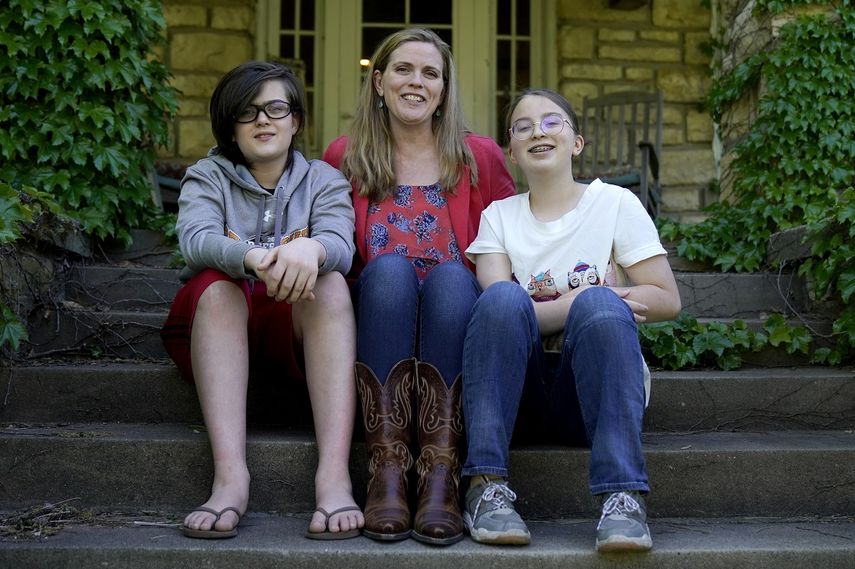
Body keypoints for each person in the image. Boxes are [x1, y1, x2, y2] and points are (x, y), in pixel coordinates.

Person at [460, 88, 681, 551]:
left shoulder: (615, 204)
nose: (537, 131)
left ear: (576, 142)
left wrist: (593, 302)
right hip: (516, 397)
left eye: (551, 122)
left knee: (600, 307)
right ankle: (485, 487)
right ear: (512, 151)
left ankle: (623, 500)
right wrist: (581, 297)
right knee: (506, 299)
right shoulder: (498, 217)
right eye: (523, 126)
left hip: (591, 397)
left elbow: (665, 298)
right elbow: (500, 311)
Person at [323, 28, 516, 545]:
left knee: (453, 277)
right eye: (404, 70)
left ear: (444, 89)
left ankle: (439, 474)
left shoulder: (479, 157)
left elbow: (515, 240)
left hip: (455, 322)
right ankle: (386, 469)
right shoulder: (345, 155)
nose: (417, 82)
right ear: (379, 82)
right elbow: (329, 244)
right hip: (378, 320)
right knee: (389, 272)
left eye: (431, 73)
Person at [160, 61, 364, 540]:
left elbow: (341, 243)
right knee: (217, 286)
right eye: (247, 112)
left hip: (291, 326)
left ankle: (334, 477)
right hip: (217, 325)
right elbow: (195, 241)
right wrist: (253, 258)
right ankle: (230, 479)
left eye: (276, 109)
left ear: (296, 120)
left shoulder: (324, 179)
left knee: (331, 282)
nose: (263, 121)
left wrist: (311, 249)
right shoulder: (207, 175)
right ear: (230, 124)